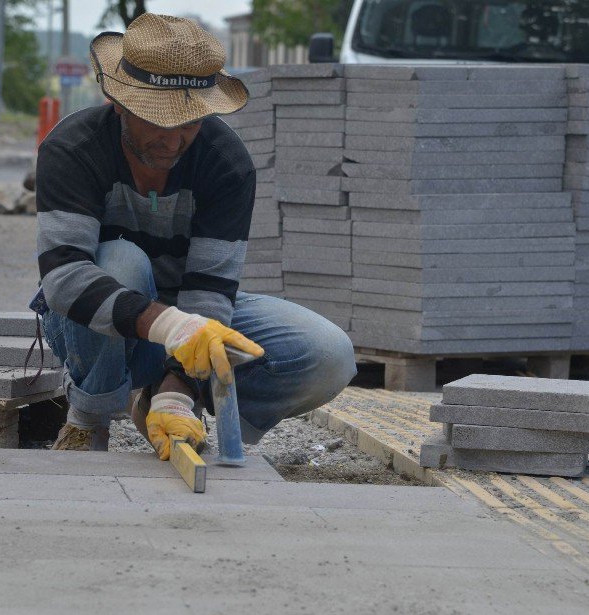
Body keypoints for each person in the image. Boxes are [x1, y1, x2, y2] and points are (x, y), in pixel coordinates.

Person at [33, 14, 356, 457]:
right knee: (123, 262)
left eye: (190, 122)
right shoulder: (73, 149)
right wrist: (173, 327)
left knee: (327, 353)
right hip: (95, 327)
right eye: (158, 121)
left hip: (187, 318)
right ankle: (88, 420)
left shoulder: (226, 163)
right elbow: (64, 278)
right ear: (120, 102)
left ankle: (162, 403)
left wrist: (178, 389)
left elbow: (210, 290)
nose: (173, 140)